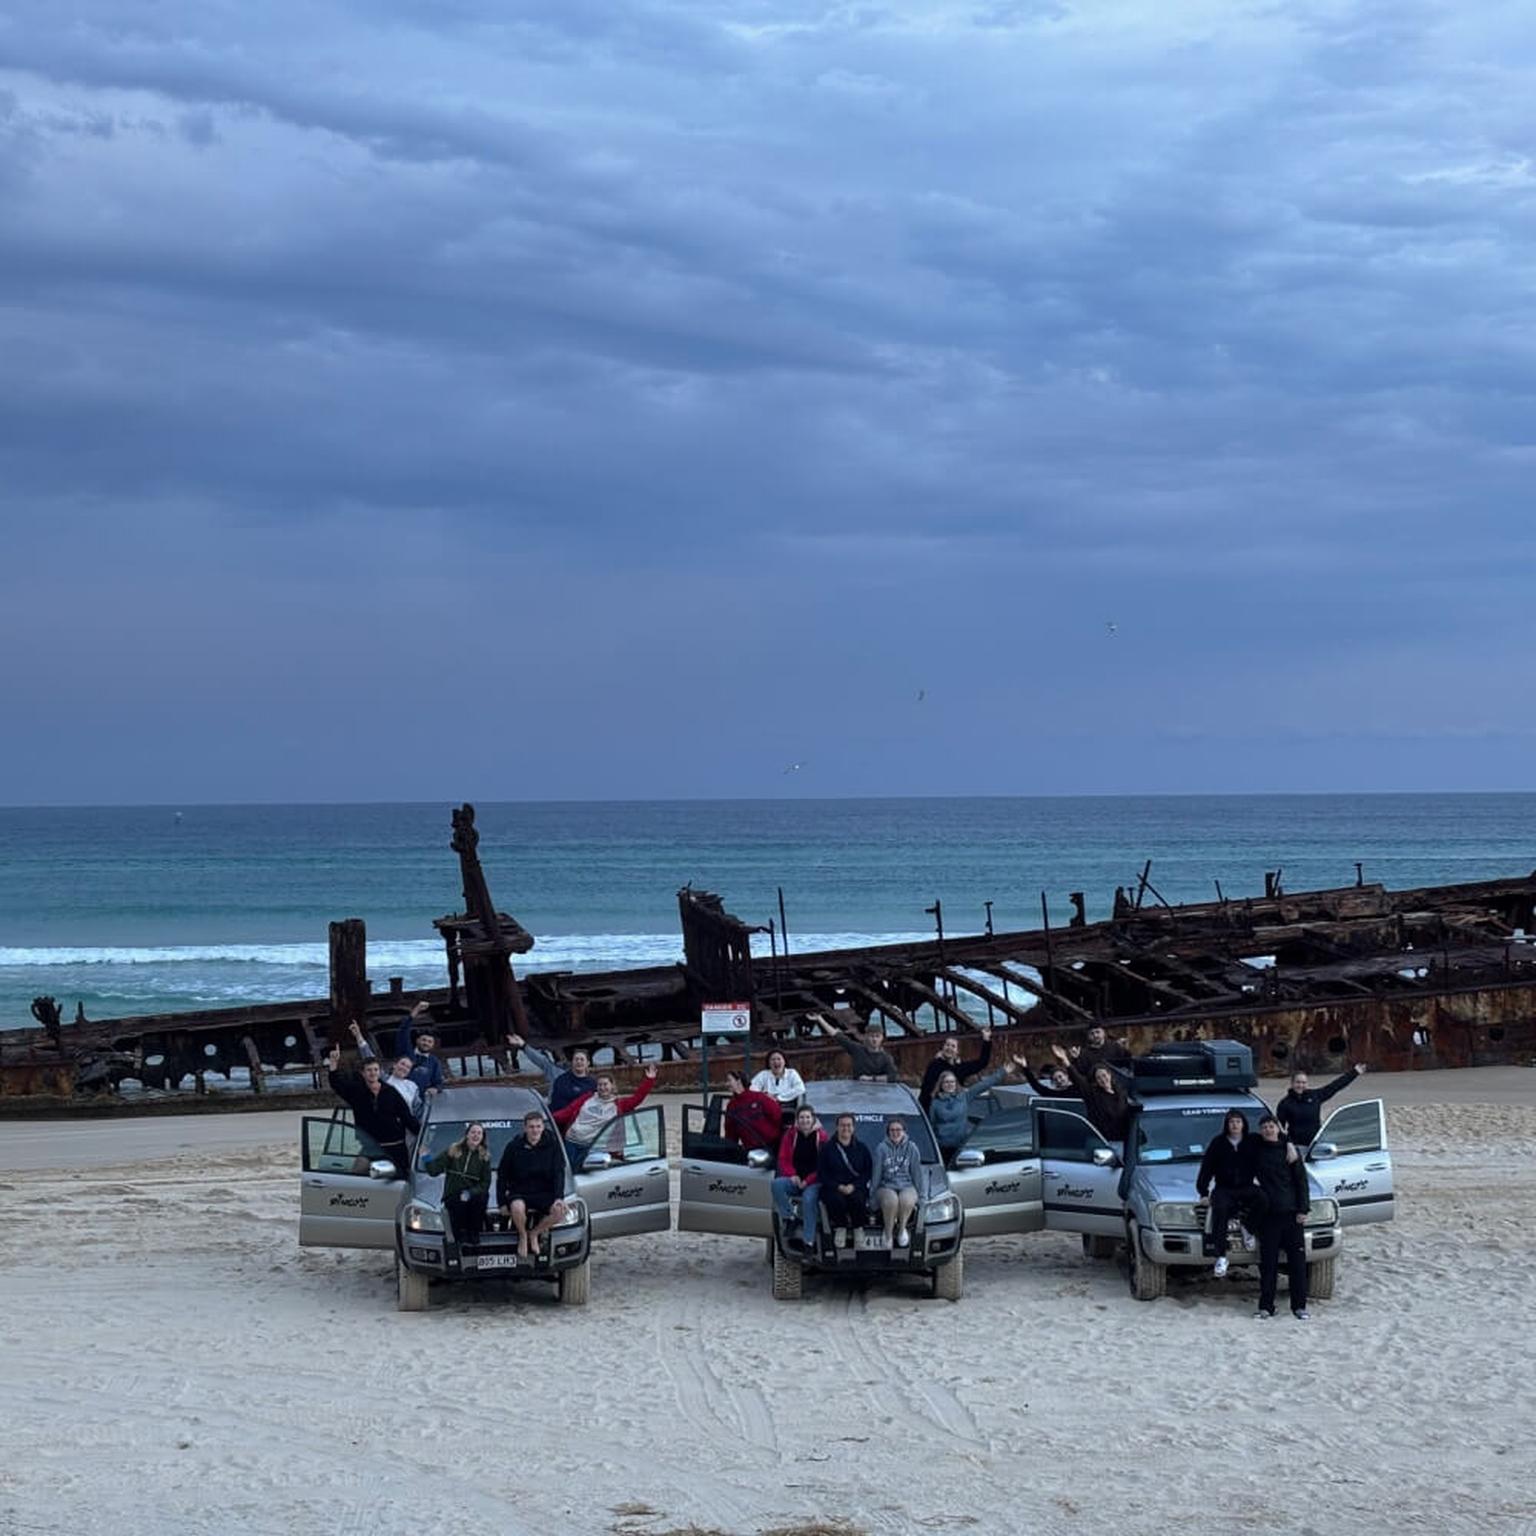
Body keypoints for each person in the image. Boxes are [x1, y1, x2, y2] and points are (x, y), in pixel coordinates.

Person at [1242, 1114, 1311, 1320]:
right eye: (1264, 1127)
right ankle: (1266, 1307)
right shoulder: (1256, 1148)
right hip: (1268, 1217)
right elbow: (1239, 1135)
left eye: (1271, 1126)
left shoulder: (1290, 1152)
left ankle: (1299, 1307)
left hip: (1291, 1215)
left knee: (1297, 1264)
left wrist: (1303, 1209)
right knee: (1268, 1265)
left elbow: (1302, 1181)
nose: (1268, 1130)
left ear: (1278, 1128)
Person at [325, 1042, 418, 1174]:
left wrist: (423, 1135)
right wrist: (333, 1064)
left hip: (395, 1147)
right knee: (355, 1175)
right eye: (369, 1070)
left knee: (398, 1181)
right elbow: (337, 1084)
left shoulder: (391, 1092)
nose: (373, 1073)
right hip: (370, 1148)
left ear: (379, 1072)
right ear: (363, 1073)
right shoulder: (356, 1092)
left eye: (375, 1069)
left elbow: (407, 1117)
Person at [553, 1064, 659, 1170]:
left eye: (605, 1084)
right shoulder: (587, 1098)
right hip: (571, 1142)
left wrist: (649, 1080)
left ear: (612, 1086)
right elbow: (568, 1111)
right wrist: (549, 1118)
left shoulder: (618, 1104)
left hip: (591, 1148)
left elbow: (637, 1098)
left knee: (582, 1175)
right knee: (565, 1172)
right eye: (600, 1085)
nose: (602, 1088)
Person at [496, 1110, 568, 1258]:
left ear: (543, 1127)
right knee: (516, 1207)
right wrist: (501, 1201)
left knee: (560, 1211)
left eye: (538, 1126)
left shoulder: (553, 1145)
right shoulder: (514, 1146)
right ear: (525, 1128)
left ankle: (534, 1233)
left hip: (544, 1192)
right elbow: (502, 1175)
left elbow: (559, 1173)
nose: (535, 1130)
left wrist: (559, 1197)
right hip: (520, 1191)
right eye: (531, 1127)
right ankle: (523, 1235)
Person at [1195, 1109, 1256, 1277]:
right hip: (1224, 1188)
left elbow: (1275, 1137)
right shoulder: (1218, 1143)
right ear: (1226, 1125)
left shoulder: (1252, 1141)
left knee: (1264, 1200)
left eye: (1238, 1121)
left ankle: (1247, 1228)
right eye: (1231, 1122)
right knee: (1219, 1210)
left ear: (1244, 1124)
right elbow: (1206, 1168)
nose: (1235, 1125)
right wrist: (1203, 1192)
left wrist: (1288, 1145)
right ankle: (1221, 1256)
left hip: (1246, 1186)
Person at [425, 1121, 493, 1246]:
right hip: (454, 1194)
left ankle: (474, 1234)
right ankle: (459, 1237)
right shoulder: (454, 1150)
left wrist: (470, 1193)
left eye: (479, 1133)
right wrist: (426, 1157)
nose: (476, 1135)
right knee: (458, 1204)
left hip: (472, 1195)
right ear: (467, 1134)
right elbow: (434, 1170)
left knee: (481, 1198)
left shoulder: (484, 1157)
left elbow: (486, 1183)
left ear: (483, 1137)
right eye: (473, 1132)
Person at [927, 1064, 1014, 1159]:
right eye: (946, 1082)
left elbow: (983, 1085)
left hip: (960, 1147)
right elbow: (931, 1125)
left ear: (956, 1083)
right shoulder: (935, 1103)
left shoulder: (964, 1097)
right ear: (941, 1085)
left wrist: (1002, 1072)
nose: (950, 1084)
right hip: (941, 1148)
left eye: (952, 1082)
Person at [1276, 1063, 1368, 1150]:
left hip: (1316, 1144)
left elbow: (1335, 1086)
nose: (1301, 1085)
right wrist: (1286, 1146)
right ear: (1292, 1083)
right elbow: (1279, 1129)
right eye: (1298, 1082)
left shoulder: (1315, 1096)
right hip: (1297, 1146)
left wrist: (1354, 1072)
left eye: (1303, 1083)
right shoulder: (1285, 1104)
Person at [1051, 1044, 1132, 1141]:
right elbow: (1078, 1080)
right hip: (1109, 1141)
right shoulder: (1094, 1094)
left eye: (1104, 1075)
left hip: (1127, 1139)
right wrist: (1066, 1061)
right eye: (1099, 1077)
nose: (1103, 1079)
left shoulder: (1120, 1091)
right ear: (1096, 1081)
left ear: (1109, 1075)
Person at [773, 1105, 826, 1247]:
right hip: (795, 1179)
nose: (804, 1120)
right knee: (776, 1184)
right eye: (801, 1117)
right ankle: (790, 1217)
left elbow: (823, 1165)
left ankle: (808, 1241)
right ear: (797, 1119)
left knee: (809, 1199)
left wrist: (807, 1181)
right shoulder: (790, 1134)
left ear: (813, 1118)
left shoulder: (822, 1137)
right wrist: (793, 1175)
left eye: (807, 1117)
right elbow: (783, 1158)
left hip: (813, 1181)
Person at [506, 1033, 598, 1114]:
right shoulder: (557, 1074)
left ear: (588, 1063)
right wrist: (523, 1045)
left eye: (582, 1060)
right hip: (557, 1117)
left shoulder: (592, 1083)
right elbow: (541, 1061)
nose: (579, 1062)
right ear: (572, 1062)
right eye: (576, 1059)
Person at [869, 1117, 925, 1248]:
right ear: (888, 1132)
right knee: (892, 1200)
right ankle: (888, 1234)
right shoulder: (881, 1148)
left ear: (904, 1131)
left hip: (907, 1185)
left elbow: (917, 1174)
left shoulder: (912, 1148)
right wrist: (872, 1196)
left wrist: (922, 1197)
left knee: (906, 1200)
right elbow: (876, 1174)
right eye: (892, 1130)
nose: (895, 1132)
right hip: (886, 1186)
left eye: (898, 1129)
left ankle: (901, 1230)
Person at [817, 1113, 873, 1241]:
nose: (845, 1128)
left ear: (853, 1128)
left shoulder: (862, 1148)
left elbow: (868, 1171)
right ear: (837, 1127)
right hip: (833, 1187)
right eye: (842, 1125)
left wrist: (854, 1186)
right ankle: (840, 1228)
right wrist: (838, 1186)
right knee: (836, 1199)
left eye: (848, 1125)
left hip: (856, 1186)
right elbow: (822, 1173)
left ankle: (858, 1228)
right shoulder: (827, 1149)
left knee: (858, 1199)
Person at [349, 1021, 421, 1121]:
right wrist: (358, 1036)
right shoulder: (384, 1079)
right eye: (402, 1064)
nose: (404, 1068)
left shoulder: (412, 1086)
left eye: (408, 1067)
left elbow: (418, 1111)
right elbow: (369, 1057)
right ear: (395, 1065)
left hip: (408, 1128)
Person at [918, 1026, 994, 1111]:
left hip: (952, 1108)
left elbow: (982, 1063)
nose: (949, 1048)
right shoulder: (934, 1065)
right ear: (942, 1048)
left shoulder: (960, 1068)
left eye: (953, 1046)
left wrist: (986, 1039)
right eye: (947, 1045)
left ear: (957, 1051)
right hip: (933, 1108)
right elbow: (926, 1090)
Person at [394, 1001, 447, 1097]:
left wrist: (435, 1089)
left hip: (421, 1102)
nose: (426, 1043)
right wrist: (416, 1010)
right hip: (400, 1098)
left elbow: (439, 1083)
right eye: (424, 1040)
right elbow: (403, 1031)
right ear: (417, 1040)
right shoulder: (406, 1052)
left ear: (433, 1045)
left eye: (430, 1042)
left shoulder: (434, 1061)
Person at [723, 1071, 784, 1152]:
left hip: (770, 1145)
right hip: (751, 1149)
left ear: (739, 1081)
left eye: (729, 1080)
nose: (726, 1084)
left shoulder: (759, 1097)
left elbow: (777, 1115)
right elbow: (730, 1130)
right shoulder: (731, 1105)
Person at [833, 1020, 897, 1083]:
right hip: (858, 1090)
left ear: (882, 1038)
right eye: (872, 1036)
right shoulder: (858, 1050)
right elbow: (838, 1037)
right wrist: (822, 1021)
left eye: (877, 1036)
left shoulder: (886, 1058)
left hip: (878, 1090)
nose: (874, 1039)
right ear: (866, 1037)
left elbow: (892, 1077)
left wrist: (871, 1078)